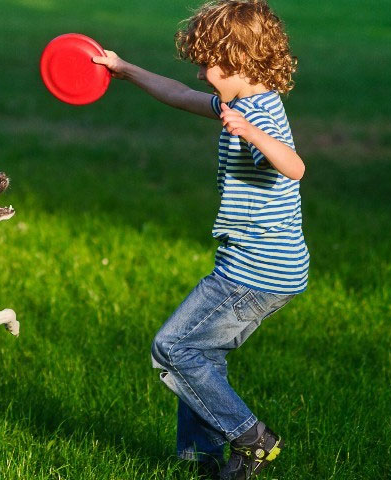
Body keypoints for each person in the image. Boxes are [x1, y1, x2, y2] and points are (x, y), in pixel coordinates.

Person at [92, 1, 307, 478]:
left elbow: (295, 167)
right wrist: (124, 69)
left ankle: (251, 437)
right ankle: (200, 457)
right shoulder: (240, 102)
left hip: (254, 272)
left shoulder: (259, 116)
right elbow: (176, 94)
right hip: (269, 267)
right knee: (203, 353)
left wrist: (253, 133)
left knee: (174, 348)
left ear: (241, 62)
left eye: (210, 62)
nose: (202, 73)